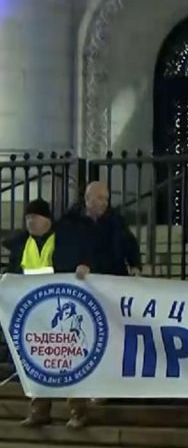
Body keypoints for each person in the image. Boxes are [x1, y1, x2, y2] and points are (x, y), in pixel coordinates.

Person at [3, 199, 89, 429]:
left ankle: (77, 411)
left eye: (35, 217)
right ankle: (39, 410)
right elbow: (13, 274)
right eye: (27, 218)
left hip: (62, 311)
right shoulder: (22, 245)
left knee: (68, 360)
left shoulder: (63, 240)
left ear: (47, 219)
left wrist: (83, 266)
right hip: (34, 315)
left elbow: (79, 261)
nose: (30, 221)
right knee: (37, 362)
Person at [59, 181, 142, 279]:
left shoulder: (116, 221)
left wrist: (135, 266)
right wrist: (75, 267)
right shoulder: (70, 222)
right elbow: (63, 253)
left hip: (114, 280)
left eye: (106, 199)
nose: (104, 203)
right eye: (100, 198)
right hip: (83, 281)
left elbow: (131, 244)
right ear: (87, 198)